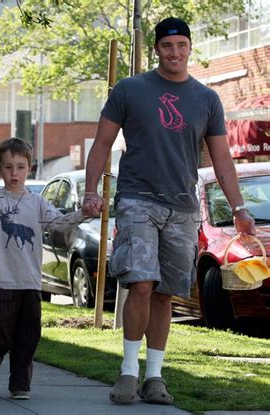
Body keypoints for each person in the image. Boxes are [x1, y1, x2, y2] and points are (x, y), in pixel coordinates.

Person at [82, 17, 255, 405]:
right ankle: (128, 372)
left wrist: (239, 207)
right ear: (157, 49)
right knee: (140, 283)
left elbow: (223, 160)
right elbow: (102, 143)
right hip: (137, 199)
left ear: (190, 48)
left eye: (181, 45)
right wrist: (91, 191)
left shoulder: (207, 99)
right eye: (167, 46)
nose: (174, 53)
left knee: (165, 293)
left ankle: (154, 377)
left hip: (183, 207)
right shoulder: (129, 89)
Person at [0, 138, 83, 400]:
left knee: (28, 335)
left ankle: (20, 383)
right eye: (8, 167)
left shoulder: (37, 203)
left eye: (20, 167)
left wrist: (82, 214)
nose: (14, 173)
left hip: (31, 282)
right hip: (2, 282)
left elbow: (59, 223)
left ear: (29, 168)